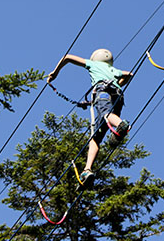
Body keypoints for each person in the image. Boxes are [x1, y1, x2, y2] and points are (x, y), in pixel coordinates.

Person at [47, 48, 132, 185]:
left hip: (102, 92)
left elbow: (67, 57)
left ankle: (121, 125)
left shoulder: (93, 64)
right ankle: (87, 169)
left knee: (106, 114)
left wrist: (55, 73)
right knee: (96, 137)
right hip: (118, 96)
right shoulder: (113, 70)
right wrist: (117, 83)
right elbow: (129, 74)